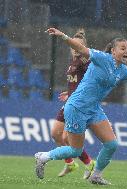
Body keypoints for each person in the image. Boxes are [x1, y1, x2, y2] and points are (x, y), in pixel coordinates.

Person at [35, 27, 127, 185]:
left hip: (94, 109)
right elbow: (80, 48)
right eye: (123, 48)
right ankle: (43, 157)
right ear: (113, 50)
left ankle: (95, 176)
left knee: (111, 144)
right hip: (77, 107)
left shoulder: (123, 70)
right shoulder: (101, 58)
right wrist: (63, 36)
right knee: (75, 150)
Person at [51, 29, 94, 179]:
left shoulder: (85, 62)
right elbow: (77, 82)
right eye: (73, 45)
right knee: (56, 134)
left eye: (78, 45)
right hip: (70, 101)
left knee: (67, 139)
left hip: (78, 105)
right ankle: (70, 164)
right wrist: (68, 92)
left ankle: (90, 164)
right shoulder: (73, 62)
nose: (75, 48)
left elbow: (90, 82)